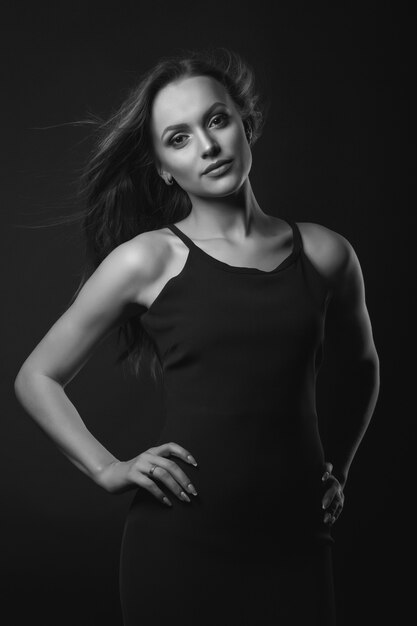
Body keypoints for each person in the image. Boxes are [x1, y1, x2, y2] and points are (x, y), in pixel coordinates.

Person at [14, 48, 380, 625]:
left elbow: (362, 368)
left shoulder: (327, 253)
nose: (207, 147)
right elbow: (37, 376)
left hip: (297, 545)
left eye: (216, 120)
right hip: (179, 547)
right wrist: (108, 468)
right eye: (178, 138)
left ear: (245, 124)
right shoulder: (147, 260)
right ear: (162, 166)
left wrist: (339, 466)